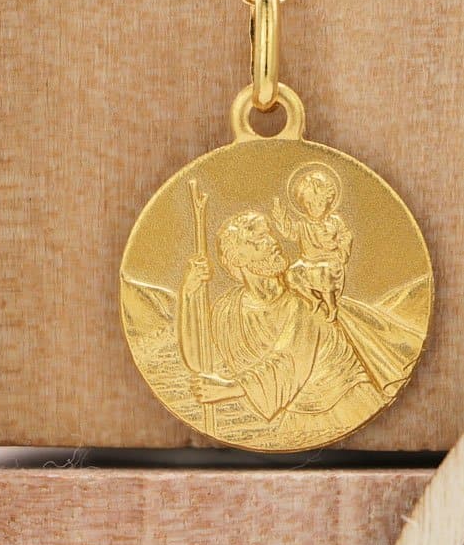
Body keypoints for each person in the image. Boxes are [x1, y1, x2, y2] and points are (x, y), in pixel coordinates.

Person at [178, 209, 417, 441]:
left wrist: (231, 388)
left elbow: (291, 358)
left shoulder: (305, 294)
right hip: (298, 416)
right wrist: (189, 294)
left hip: (345, 405)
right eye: (259, 239)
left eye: (270, 234)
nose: (273, 242)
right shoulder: (227, 310)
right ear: (238, 258)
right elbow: (199, 362)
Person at [271, 164, 351, 321]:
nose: (313, 208)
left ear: (328, 202)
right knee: (290, 275)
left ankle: (332, 307)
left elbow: (345, 236)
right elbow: (290, 232)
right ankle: (312, 299)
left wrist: (341, 249)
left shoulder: (335, 222)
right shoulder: (303, 224)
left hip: (329, 263)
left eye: (318, 203)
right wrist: (280, 218)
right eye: (308, 204)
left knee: (323, 274)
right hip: (307, 263)